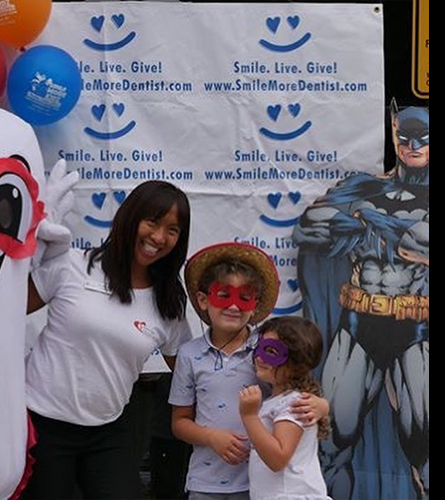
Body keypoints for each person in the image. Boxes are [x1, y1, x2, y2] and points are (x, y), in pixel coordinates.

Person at [21, 180, 194, 500]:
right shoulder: (72, 264)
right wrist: (27, 254)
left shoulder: (168, 301)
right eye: (152, 221)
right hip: (41, 426)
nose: (159, 237)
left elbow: (190, 370)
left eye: (173, 229)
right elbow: (3, 309)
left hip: (106, 431)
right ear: (130, 218)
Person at [292, 99, 428, 499]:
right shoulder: (364, 188)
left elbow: (417, 243)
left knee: (424, 446)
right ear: (393, 133)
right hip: (358, 324)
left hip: (416, 328)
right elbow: (308, 229)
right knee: (330, 439)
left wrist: (376, 225)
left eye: (423, 137)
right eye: (405, 136)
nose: (413, 144)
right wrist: (356, 222)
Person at [169, 242, 329, 500]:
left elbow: (297, 386)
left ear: (254, 306)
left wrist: (321, 406)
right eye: (224, 295)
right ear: (202, 300)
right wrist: (211, 437)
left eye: (244, 298)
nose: (234, 306)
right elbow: (179, 422)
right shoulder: (189, 354)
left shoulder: (267, 351)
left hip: (258, 485)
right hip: (205, 481)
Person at [239, 316, 331, 500]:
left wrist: (249, 416)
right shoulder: (281, 400)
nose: (259, 357)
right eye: (260, 347)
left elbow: (278, 458)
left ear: (297, 363)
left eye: (271, 351)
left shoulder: (293, 404)